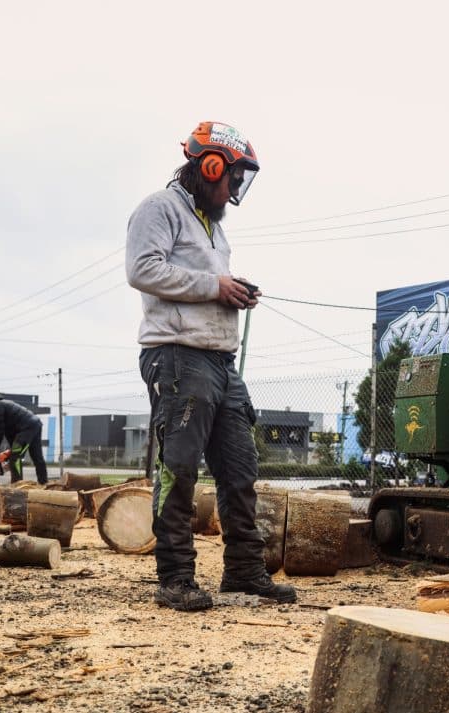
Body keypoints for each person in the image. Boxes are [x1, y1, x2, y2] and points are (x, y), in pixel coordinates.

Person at [125, 121, 296, 611]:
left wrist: (233, 291)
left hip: (221, 361)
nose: (235, 189)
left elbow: (202, 282)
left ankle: (244, 572)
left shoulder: (214, 228)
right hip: (178, 355)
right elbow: (142, 269)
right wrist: (215, 287)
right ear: (211, 165)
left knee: (240, 470)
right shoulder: (160, 208)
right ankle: (175, 577)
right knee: (179, 469)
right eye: (233, 178)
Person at [0, 394, 49, 484]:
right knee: (37, 457)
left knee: (15, 457)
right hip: (34, 424)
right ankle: (44, 482)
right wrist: (6, 454)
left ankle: (17, 485)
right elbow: (8, 434)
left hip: (26, 427)